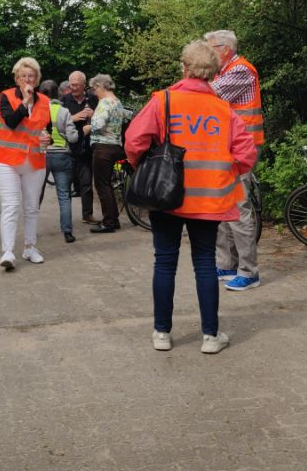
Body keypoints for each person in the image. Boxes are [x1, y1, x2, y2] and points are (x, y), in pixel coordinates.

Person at [124, 40, 256, 354]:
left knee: (165, 263)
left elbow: (133, 141)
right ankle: (211, 336)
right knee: (206, 265)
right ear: (213, 73)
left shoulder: (163, 101)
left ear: (183, 67)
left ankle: (162, 333)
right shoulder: (223, 109)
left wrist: (141, 165)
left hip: (167, 198)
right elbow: (247, 153)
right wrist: (225, 172)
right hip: (209, 199)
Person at [205, 29, 264, 292]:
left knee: (238, 209)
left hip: (242, 149)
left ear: (224, 49)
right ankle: (227, 264)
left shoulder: (241, 70)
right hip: (225, 149)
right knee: (222, 207)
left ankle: (249, 272)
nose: (207, 55)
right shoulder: (224, 71)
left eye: (210, 49)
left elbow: (207, 97)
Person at [0, 57, 51, 270]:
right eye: (23, 76)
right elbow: (11, 121)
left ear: (37, 79)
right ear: (17, 78)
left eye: (31, 76)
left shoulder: (45, 101)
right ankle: (7, 251)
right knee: (11, 206)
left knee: (32, 208)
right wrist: (26, 101)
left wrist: (49, 139)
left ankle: (30, 247)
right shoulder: (6, 96)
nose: (27, 79)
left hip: (35, 161)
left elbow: (48, 130)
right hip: (8, 161)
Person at [83, 74, 126, 233]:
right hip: (115, 146)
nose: (94, 93)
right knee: (106, 184)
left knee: (102, 185)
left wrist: (88, 127)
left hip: (103, 148)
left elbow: (99, 123)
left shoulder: (104, 102)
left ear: (101, 87)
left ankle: (109, 222)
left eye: (95, 89)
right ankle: (113, 219)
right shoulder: (117, 102)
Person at [40, 79, 78, 243]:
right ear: (58, 94)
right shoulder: (64, 111)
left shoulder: (37, 111)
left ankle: (30, 231)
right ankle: (67, 232)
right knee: (64, 195)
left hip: (42, 156)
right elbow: (73, 137)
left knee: (36, 194)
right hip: (62, 155)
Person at [61, 71, 99, 225]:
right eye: (71, 84)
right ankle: (66, 218)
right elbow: (55, 121)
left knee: (86, 184)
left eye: (76, 84)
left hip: (86, 148)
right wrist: (74, 118)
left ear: (84, 85)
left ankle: (87, 215)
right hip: (68, 148)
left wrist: (94, 114)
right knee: (66, 186)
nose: (73, 87)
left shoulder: (94, 99)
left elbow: (104, 118)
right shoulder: (63, 100)